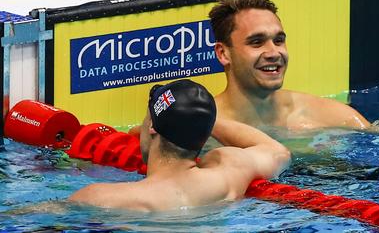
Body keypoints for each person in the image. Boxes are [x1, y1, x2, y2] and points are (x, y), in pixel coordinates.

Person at [69, 79, 291, 211]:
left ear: (153, 127)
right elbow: (278, 152)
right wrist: (202, 122)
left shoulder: (101, 198)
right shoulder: (229, 174)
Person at [209, 0, 370, 130]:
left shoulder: (333, 118)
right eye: (256, 42)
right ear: (223, 53)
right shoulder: (203, 128)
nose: (273, 53)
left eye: (279, 40)